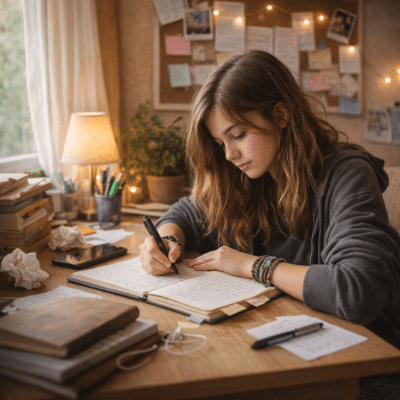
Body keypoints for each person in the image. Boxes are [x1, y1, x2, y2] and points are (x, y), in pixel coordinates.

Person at [139, 50, 400, 351]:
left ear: (280, 115)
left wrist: (254, 266)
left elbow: (358, 290)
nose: (228, 154)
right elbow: (188, 211)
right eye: (219, 143)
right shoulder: (245, 173)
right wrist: (165, 238)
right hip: (278, 338)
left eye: (237, 135)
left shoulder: (348, 175)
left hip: (361, 357)